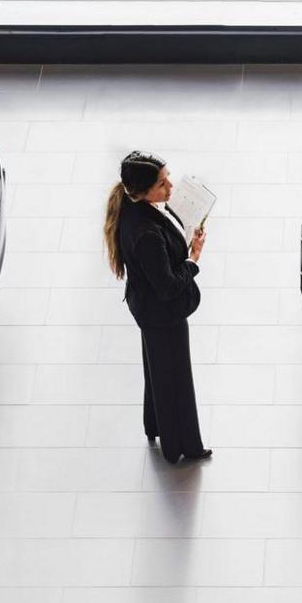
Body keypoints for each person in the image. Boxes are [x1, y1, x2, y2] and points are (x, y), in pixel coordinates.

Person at [105, 150, 210, 462]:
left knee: (158, 371)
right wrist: (193, 257)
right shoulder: (146, 233)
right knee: (176, 379)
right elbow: (168, 287)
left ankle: (155, 424)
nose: (171, 187)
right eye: (163, 184)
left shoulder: (133, 208)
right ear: (143, 191)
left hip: (145, 308)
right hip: (162, 315)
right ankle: (183, 447)